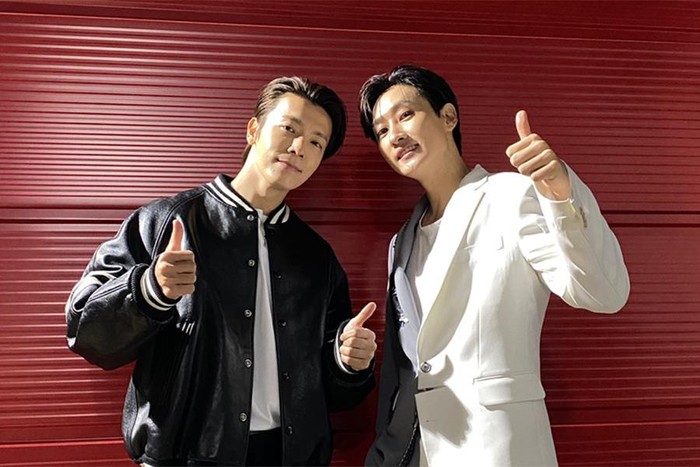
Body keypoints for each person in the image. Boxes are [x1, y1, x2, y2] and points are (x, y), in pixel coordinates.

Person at [65, 76, 378, 466]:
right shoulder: (167, 221)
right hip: (185, 456)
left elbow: (336, 394)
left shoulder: (317, 257)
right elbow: (86, 333)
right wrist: (149, 290)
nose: (299, 147)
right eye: (289, 128)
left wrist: (347, 362)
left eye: (316, 142)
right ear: (253, 130)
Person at [358, 64, 630, 466]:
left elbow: (605, 293)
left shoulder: (510, 196)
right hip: (420, 450)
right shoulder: (402, 242)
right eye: (381, 130)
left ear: (448, 117)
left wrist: (560, 193)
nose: (394, 134)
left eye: (406, 115)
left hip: (498, 446)